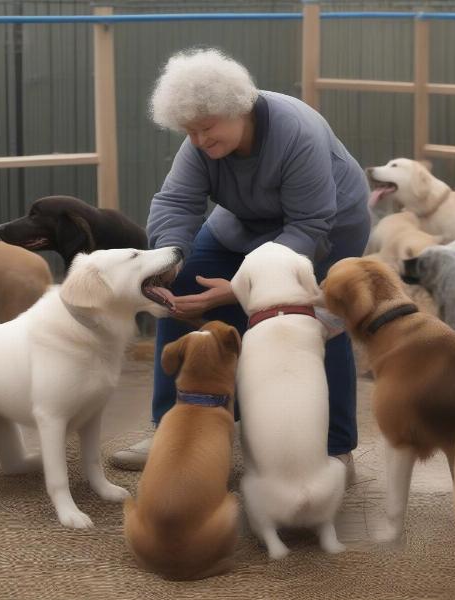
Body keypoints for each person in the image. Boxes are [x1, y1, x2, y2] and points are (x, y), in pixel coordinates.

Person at [111, 48, 371, 474]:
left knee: (316, 320)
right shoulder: (199, 141)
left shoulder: (296, 133)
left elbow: (308, 226)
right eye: (189, 131)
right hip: (244, 223)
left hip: (326, 230)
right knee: (180, 288)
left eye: (206, 128)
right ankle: (174, 426)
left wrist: (238, 290)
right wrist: (168, 262)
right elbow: (176, 203)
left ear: (239, 109)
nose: (198, 141)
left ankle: (333, 448)